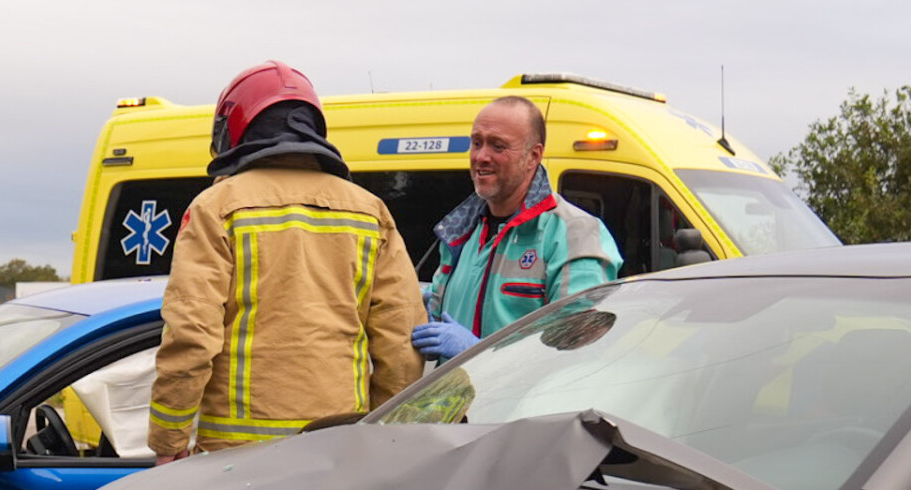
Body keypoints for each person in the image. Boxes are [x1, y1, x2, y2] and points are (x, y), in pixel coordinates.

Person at [149, 62, 425, 462]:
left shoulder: (217, 207)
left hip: (238, 460)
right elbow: (400, 341)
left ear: (234, 127)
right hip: (338, 450)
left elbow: (191, 336)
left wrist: (168, 441)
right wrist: (385, 438)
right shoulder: (370, 212)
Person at [412, 97, 622, 362]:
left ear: (533, 156)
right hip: (459, 404)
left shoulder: (574, 233)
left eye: (498, 146)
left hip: (527, 404)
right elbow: (436, 309)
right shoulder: (460, 232)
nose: (481, 156)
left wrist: (478, 354)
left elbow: (578, 351)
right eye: (477, 142)